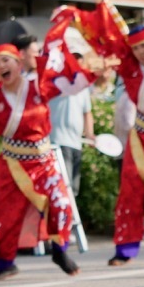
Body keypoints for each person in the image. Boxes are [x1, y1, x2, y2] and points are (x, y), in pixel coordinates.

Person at [62, 0, 144, 266]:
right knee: (130, 191)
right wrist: (102, 6)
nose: (142, 52)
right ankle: (125, 248)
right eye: (137, 48)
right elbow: (112, 39)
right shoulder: (129, 65)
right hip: (140, 136)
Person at [0, 33, 89, 281]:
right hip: (12, 162)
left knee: (61, 203)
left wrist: (52, 46)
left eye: (6, 60)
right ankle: (3, 262)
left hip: (43, 161)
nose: (1, 66)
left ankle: (59, 249)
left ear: (19, 63)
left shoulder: (38, 86)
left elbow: (65, 76)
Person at [48, 52, 94, 200]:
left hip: (76, 143)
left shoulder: (83, 87)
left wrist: (90, 134)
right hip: (58, 142)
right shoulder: (58, 84)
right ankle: (66, 221)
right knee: (64, 187)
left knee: (73, 189)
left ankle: (69, 221)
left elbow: (87, 113)